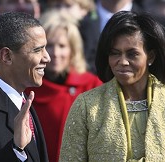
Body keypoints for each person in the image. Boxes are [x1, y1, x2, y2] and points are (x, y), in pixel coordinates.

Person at [59, 11, 165, 161]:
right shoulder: (87, 105)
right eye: (115, 53)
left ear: (151, 57)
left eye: (132, 54)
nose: (122, 62)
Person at [25, 10, 102, 162]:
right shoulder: (25, 88)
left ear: (73, 50)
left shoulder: (92, 86)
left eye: (62, 45)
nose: (55, 53)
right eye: (48, 46)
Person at [0, 12, 50, 162]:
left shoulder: (23, 101)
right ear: (7, 56)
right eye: (37, 50)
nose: (47, 58)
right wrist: (16, 150)